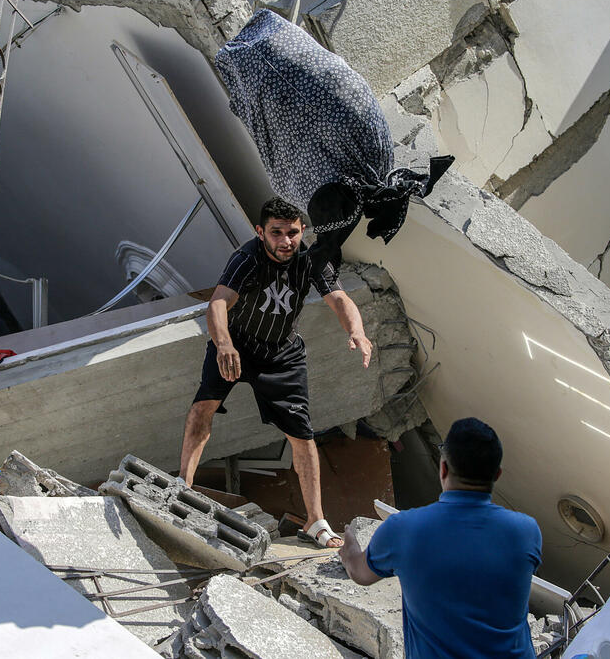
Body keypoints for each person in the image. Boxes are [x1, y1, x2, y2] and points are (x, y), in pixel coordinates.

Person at [178, 197, 373, 549]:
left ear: (302, 230)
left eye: (292, 233)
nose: (286, 241)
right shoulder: (247, 258)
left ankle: (316, 521)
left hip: (282, 354)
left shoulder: (309, 259)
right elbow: (218, 302)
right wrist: (223, 344)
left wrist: (356, 331)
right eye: (276, 233)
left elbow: (339, 299)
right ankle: (183, 487)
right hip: (236, 345)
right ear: (260, 232)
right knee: (203, 407)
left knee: (302, 437)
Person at [338, 418, 541, 658]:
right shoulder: (526, 531)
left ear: (443, 469)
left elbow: (360, 574)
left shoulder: (403, 529)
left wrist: (349, 549)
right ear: (496, 475)